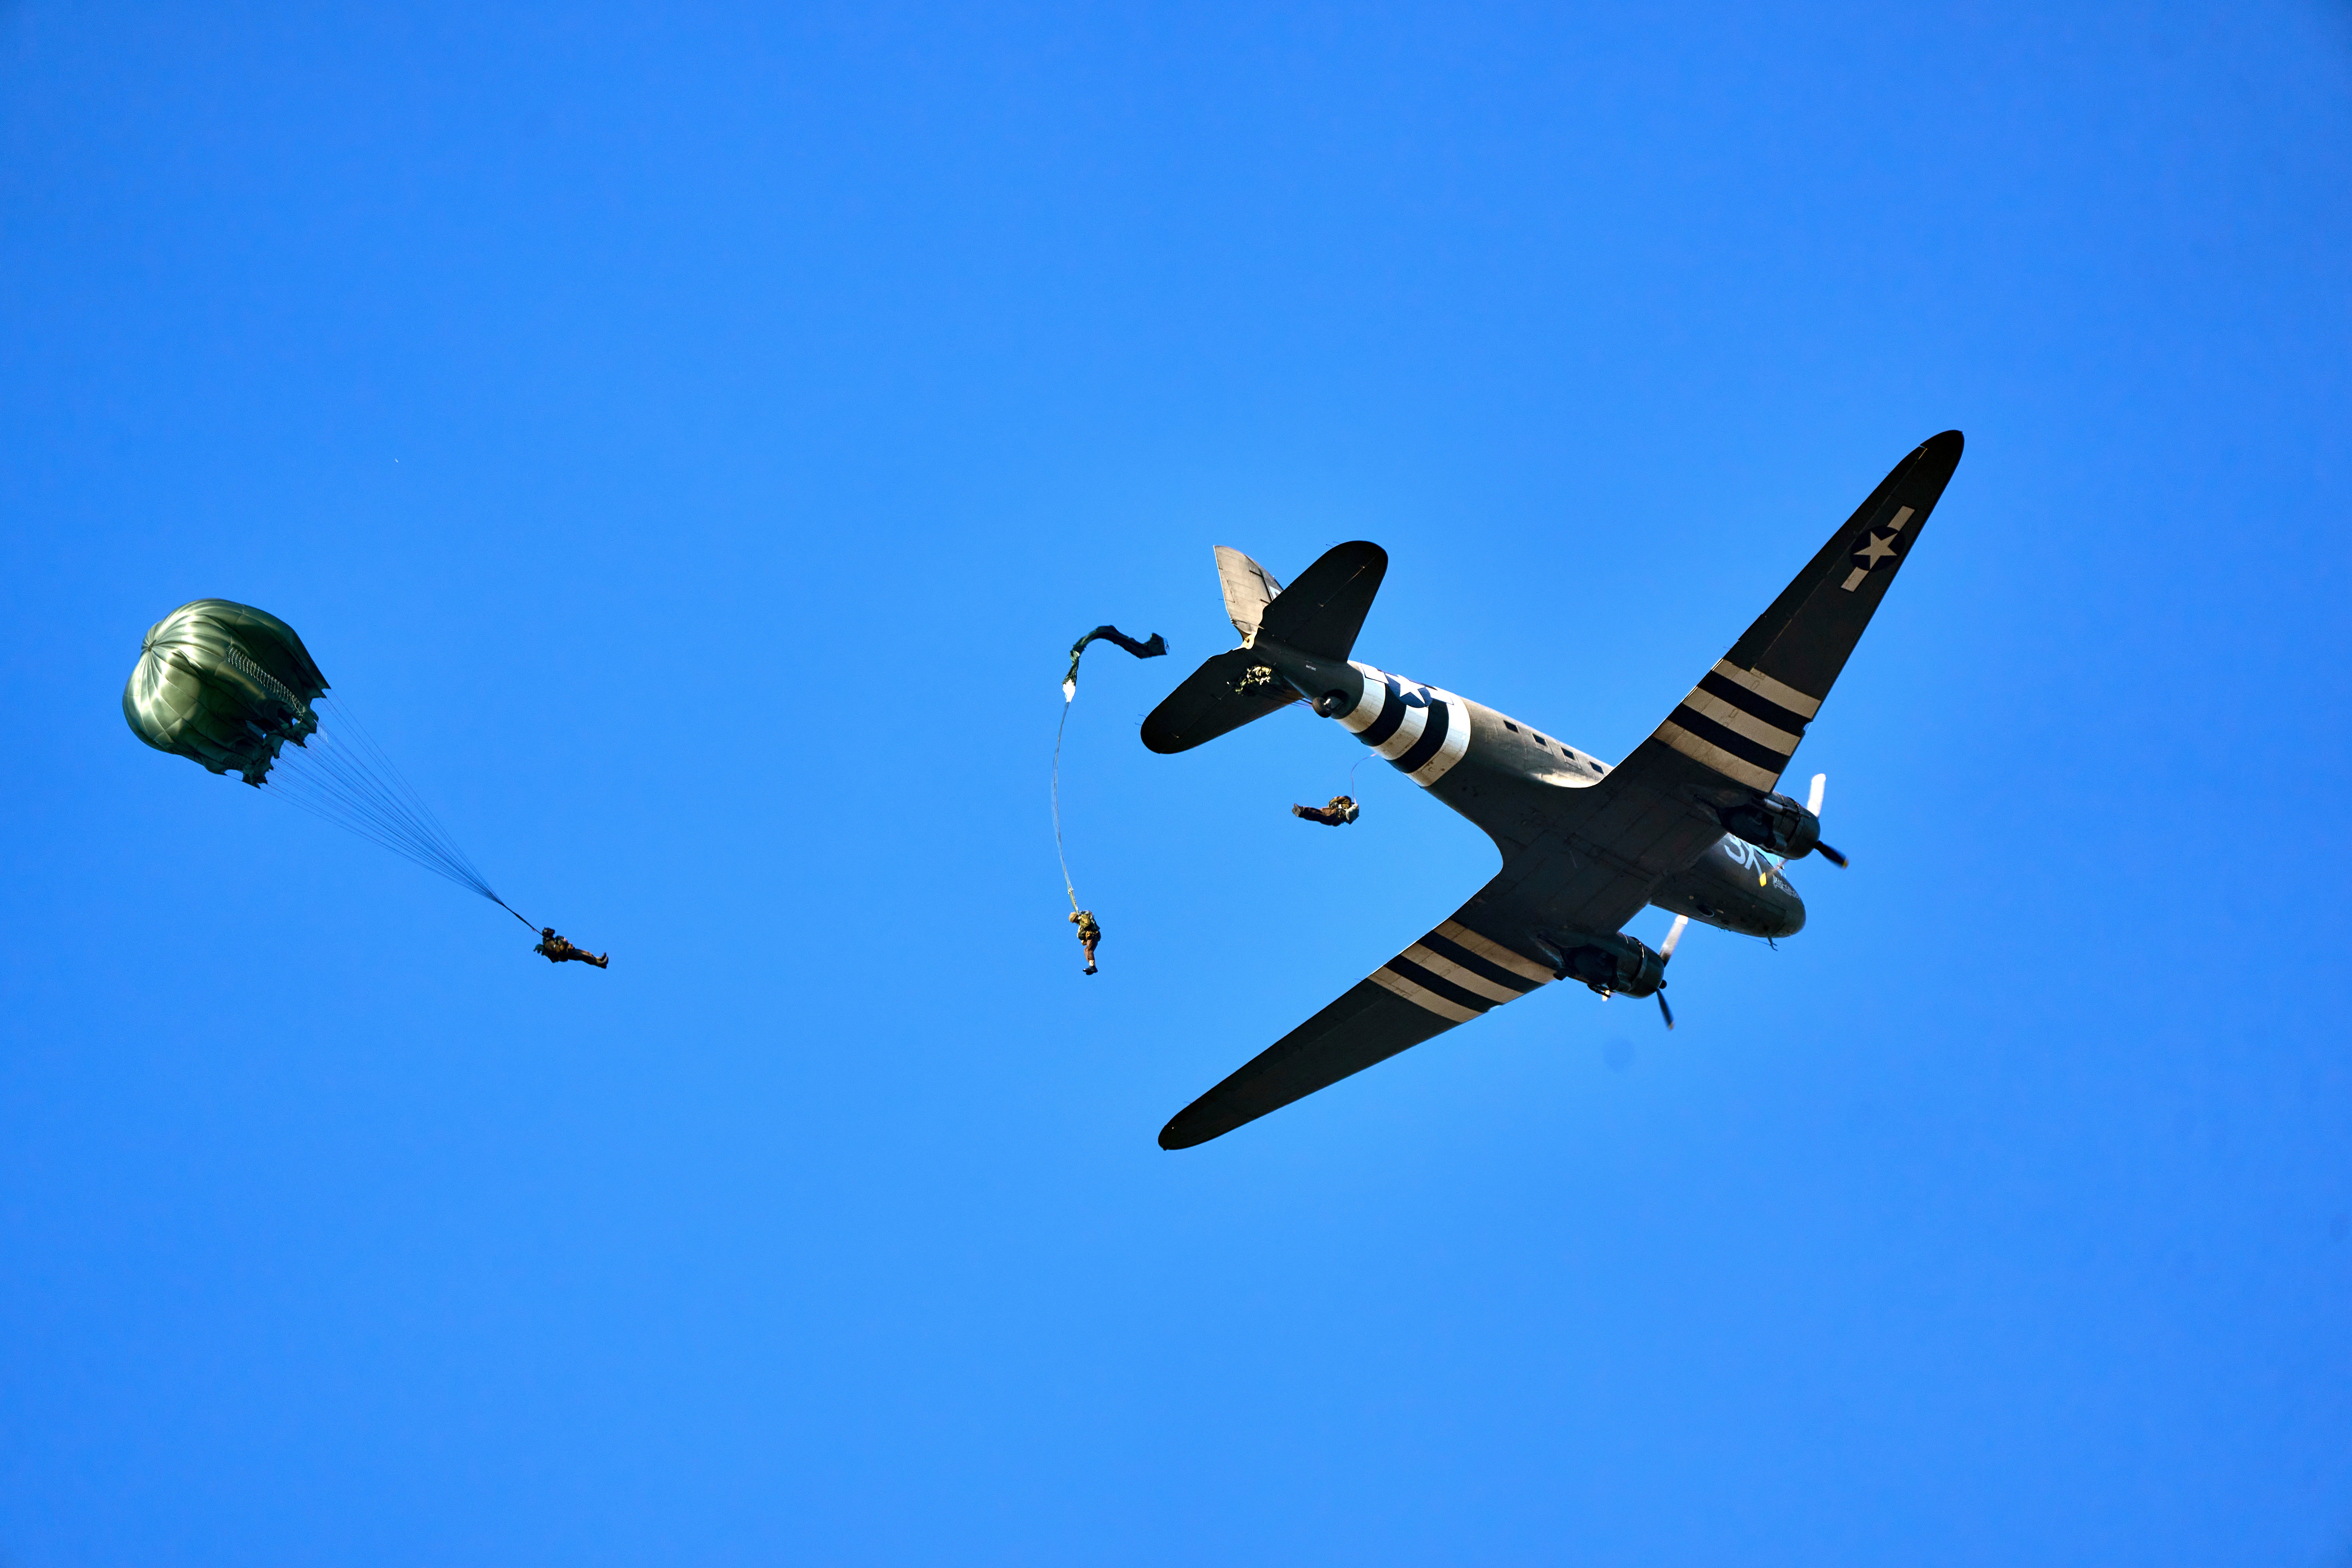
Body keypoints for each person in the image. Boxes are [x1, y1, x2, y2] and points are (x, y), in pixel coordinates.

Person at [535, 927, 610, 969]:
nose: (552, 934)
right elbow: (559, 950)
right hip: (566, 954)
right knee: (584, 957)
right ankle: (601, 964)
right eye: (550, 933)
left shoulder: (551, 940)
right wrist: (563, 943)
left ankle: (600, 959)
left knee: (586, 953)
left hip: (569, 951)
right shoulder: (549, 944)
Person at [1291, 794, 1360, 827]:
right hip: (1335, 822)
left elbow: (1332, 802)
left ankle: (1302, 810)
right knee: (1317, 817)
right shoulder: (1350, 808)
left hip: (1334, 814)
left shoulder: (1345, 801)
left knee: (1318, 813)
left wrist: (1334, 805)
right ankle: (1301, 814)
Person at [1069, 909, 1101, 975]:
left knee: (1089, 950)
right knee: (1086, 950)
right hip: (1091, 937)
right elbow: (1082, 933)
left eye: (1075, 920)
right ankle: (1091, 966)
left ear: (1076, 917)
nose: (1076, 922)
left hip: (1094, 935)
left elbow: (1087, 924)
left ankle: (1093, 967)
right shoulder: (1081, 924)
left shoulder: (1083, 918)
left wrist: (1081, 922)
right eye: (1074, 922)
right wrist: (1084, 939)